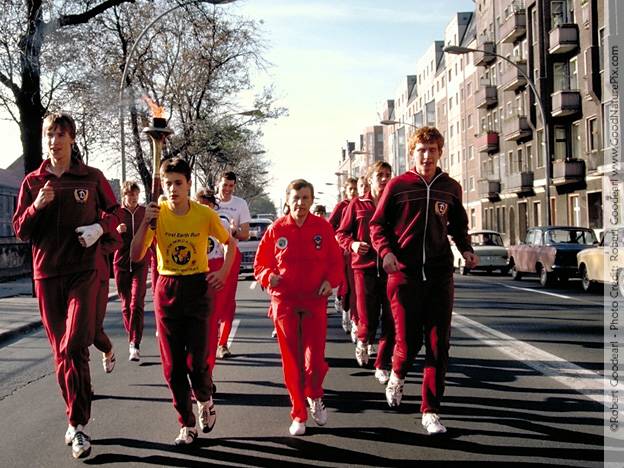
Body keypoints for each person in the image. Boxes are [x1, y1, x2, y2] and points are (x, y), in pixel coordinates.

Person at [12, 112, 120, 459]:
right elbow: (20, 231)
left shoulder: (91, 178)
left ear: (72, 138)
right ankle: (76, 419)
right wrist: (36, 207)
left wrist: (100, 228)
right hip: (47, 275)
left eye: (61, 134)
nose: (55, 140)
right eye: (50, 134)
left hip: (84, 272)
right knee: (63, 352)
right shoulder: (33, 182)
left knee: (74, 344)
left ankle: (78, 425)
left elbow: (117, 212)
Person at [370, 126, 478, 435]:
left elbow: (458, 227)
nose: (427, 155)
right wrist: (386, 252)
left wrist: (467, 250)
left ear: (440, 153)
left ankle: (430, 411)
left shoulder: (451, 187)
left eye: (432, 150)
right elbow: (377, 225)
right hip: (404, 274)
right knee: (407, 341)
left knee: (438, 344)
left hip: (440, 273)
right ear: (412, 153)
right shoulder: (398, 186)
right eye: (422, 150)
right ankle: (398, 374)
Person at [130, 157, 235, 446]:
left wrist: (223, 272)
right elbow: (135, 255)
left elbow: (230, 243)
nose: (173, 188)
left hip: (198, 288)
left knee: (197, 362)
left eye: (178, 183)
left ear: (189, 184)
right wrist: (144, 224)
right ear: (162, 185)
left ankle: (204, 397)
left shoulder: (204, 214)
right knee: (172, 367)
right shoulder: (157, 213)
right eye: (168, 183)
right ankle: (186, 424)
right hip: (168, 289)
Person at [254, 179, 344, 436]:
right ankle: (298, 413)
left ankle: (315, 394)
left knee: (314, 362)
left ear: (311, 200)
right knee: (291, 361)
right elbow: (261, 263)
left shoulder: (322, 228)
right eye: (296, 198)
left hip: (315, 300)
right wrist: (267, 275)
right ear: (287, 200)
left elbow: (335, 262)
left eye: (305, 198)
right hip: (285, 301)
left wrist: (331, 281)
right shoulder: (276, 229)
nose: (300, 203)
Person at [336, 161, 394, 385]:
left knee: (390, 320)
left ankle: (382, 364)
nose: (384, 179)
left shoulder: (394, 202)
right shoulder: (358, 204)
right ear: (370, 179)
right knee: (367, 318)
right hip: (364, 267)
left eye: (387, 175)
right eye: (380, 175)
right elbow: (341, 233)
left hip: (390, 269)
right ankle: (362, 340)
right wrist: (352, 244)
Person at [195, 188, 237, 375]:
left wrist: (223, 271)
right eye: (200, 203)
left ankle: (217, 351)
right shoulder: (189, 222)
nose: (204, 207)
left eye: (208, 204)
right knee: (197, 322)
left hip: (216, 268)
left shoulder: (221, 223)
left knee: (217, 315)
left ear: (213, 205)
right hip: (195, 272)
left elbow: (229, 246)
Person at [113, 180, 151, 362]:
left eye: (136, 194)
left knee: (137, 303)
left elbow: (154, 232)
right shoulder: (117, 213)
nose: (133, 197)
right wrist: (115, 230)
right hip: (120, 264)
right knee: (126, 305)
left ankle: (135, 344)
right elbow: (106, 235)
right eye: (130, 194)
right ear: (124, 196)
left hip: (140, 263)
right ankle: (132, 337)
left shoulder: (144, 213)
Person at [214, 171, 251, 358]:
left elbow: (246, 234)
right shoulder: (208, 202)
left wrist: (233, 231)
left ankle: (222, 344)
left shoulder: (240, 204)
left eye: (231, 186)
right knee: (209, 301)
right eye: (224, 185)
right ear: (217, 184)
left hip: (230, 255)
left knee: (227, 301)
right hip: (207, 257)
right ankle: (208, 340)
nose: (227, 189)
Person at [328, 177, 358, 334]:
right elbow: (330, 228)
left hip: (360, 253)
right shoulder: (342, 206)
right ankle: (347, 313)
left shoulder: (362, 204)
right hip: (344, 252)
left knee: (359, 290)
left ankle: (356, 319)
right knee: (347, 286)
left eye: (356, 188)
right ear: (345, 191)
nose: (354, 192)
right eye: (351, 189)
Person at [94, 225, 122, 374]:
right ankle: (83, 385)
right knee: (74, 335)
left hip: (97, 277)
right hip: (67, 276)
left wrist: (94, 249)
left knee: (93, 331)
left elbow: (116, 241)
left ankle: (108, 350)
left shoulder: (99, 211)